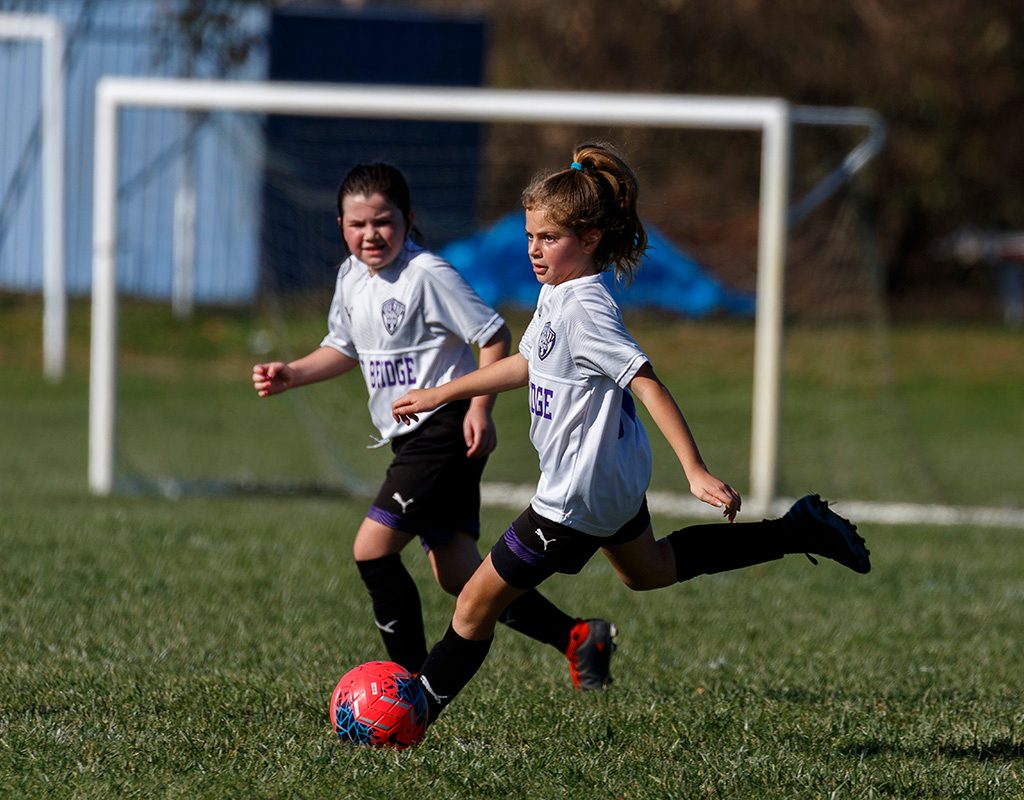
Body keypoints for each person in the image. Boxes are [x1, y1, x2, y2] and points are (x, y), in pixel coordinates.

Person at [391, 143, 872, 727]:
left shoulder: (587, 309)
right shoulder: (557, 291)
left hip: (575, 497)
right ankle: (797, 530)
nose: (534, 250)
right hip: (609, 479)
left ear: (589, 238)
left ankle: (412, 712)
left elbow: (647, 384)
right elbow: (528, 362)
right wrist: (444, 393)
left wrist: (694, 470)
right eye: (530, 236)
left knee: (473, 603)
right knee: (650, 570)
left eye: (549, 238)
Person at [252, 162, 615, 690]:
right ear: (340, 226)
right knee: (459, 575)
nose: (371, 234)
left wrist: (479, 409)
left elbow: (493, 334)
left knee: (372, 550)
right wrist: (293, 373)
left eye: (383, 221)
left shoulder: (427, 274)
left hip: (443, 430)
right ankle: (578, 636)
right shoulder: (350, 277)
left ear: (407, 218)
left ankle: (408, 687)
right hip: (409, 440)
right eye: (357, 224)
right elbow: (342, 347)